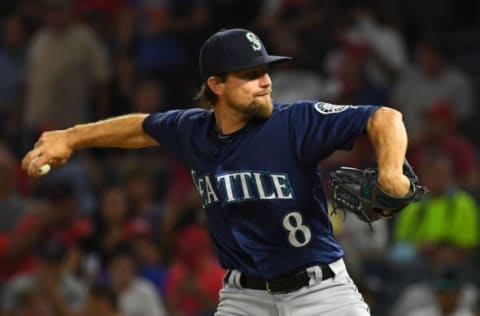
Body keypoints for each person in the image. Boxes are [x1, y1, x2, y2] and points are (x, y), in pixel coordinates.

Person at [22, 28, 412, 315]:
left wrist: (391, 172)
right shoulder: (192, 130)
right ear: (217, 85)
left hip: (320, 293)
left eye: (266, 70)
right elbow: (140, 128)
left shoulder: (295, 122)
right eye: (250, 74)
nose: (266, 81)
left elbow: (384, 118)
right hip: (245, 298)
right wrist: (72, 138)